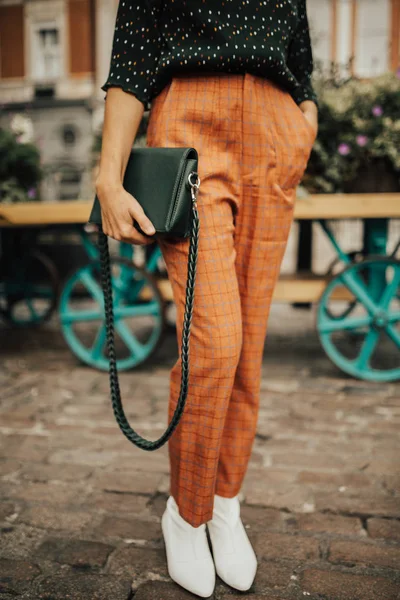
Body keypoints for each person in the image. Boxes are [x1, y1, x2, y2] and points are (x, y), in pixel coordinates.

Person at [96, 0, 318, 596]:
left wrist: (305, 122)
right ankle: (186, 514)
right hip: (191, 125)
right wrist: (108, 175)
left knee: (248, 351)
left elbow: (300, 61)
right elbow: (132, 63)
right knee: (215, 342)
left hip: (275, 132)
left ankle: (226, 504)